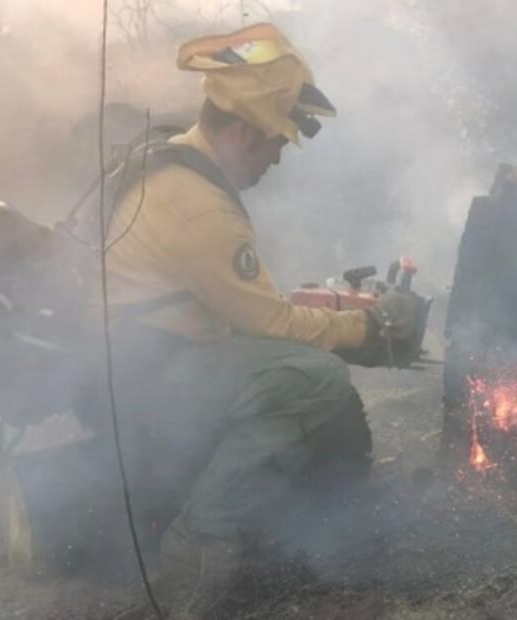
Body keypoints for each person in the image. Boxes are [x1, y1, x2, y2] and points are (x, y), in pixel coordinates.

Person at [78, 23, 420, 617]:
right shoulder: (198, 205)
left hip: (135, 362)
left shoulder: (174, 164)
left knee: (290, 370)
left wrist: (328, 311)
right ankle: (202, 540)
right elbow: (272, 327)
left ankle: (264, 511)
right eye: (276, 144)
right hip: (142, 379)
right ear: (241, 131)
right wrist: (367, 330)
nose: (277, 160)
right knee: (314, 378)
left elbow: (239, 303)